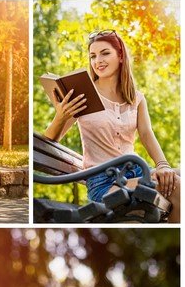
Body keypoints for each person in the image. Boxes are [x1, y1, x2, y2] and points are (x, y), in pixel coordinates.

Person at [43, 30, 180, 221]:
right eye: (93, 56)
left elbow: (147, 133)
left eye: (105, 53)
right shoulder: (83, 94)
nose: (97, 60)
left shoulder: (136, 99)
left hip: (137, 172)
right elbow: (48, 142)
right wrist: (60, 117)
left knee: (176, 176)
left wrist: (163, 165)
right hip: (105, 183)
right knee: (177, 187)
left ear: (121, 56)